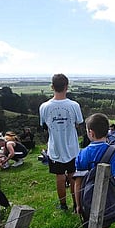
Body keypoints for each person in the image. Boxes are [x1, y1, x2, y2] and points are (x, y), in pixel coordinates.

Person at [39, 73, 84, 212]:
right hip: (72, 148)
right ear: (67, 87)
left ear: (52, 86)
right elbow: (79, 123)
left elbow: (44, 126)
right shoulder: (74, 105)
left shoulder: (44, 107)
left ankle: (63, 205)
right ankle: (76, 204)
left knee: (59, 177)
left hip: (55, 149)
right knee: (73, 176)